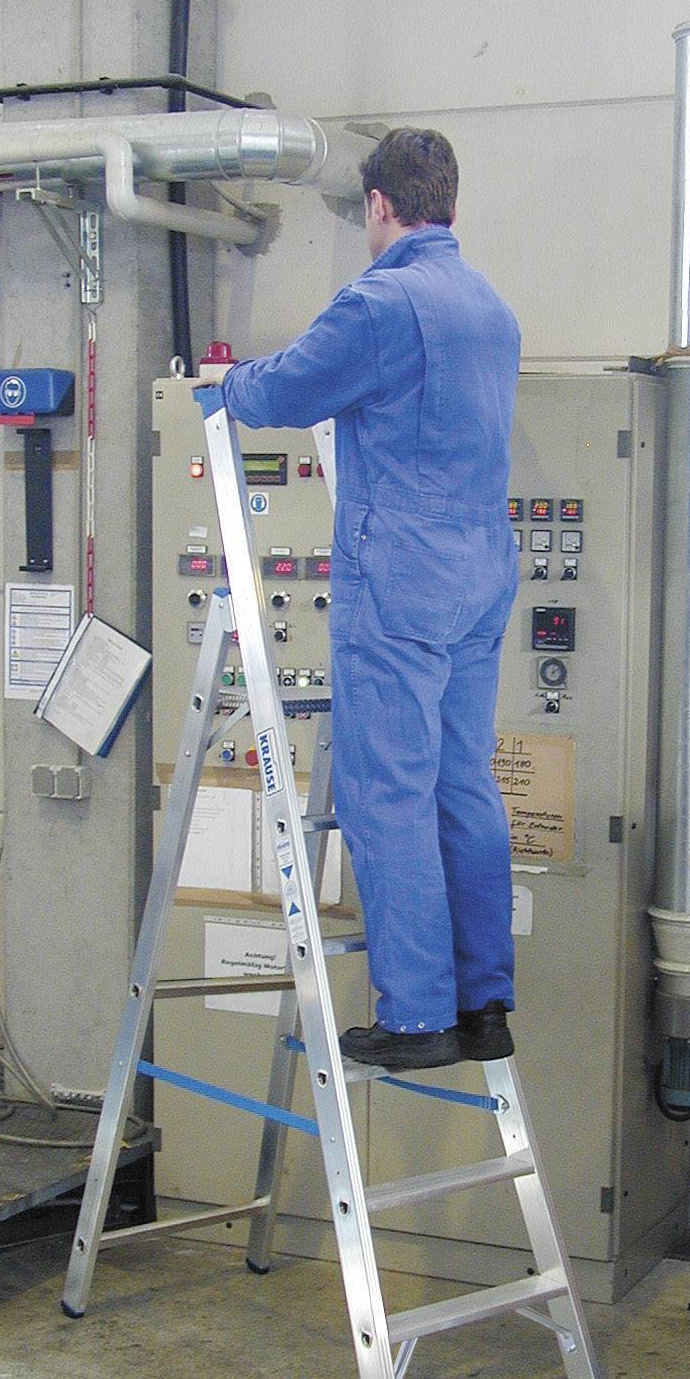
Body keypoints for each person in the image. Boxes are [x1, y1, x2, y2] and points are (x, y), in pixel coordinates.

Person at [215, 128, 520, 1073]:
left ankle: (419, 1014)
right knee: (463, 784)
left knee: (387, 792)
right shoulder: (492, 308)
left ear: (379, 206)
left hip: (403, 573)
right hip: (482, 572)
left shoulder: (383, 300)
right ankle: (484, 1004)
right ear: (451, 204)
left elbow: (285, 392)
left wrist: (225, 382)